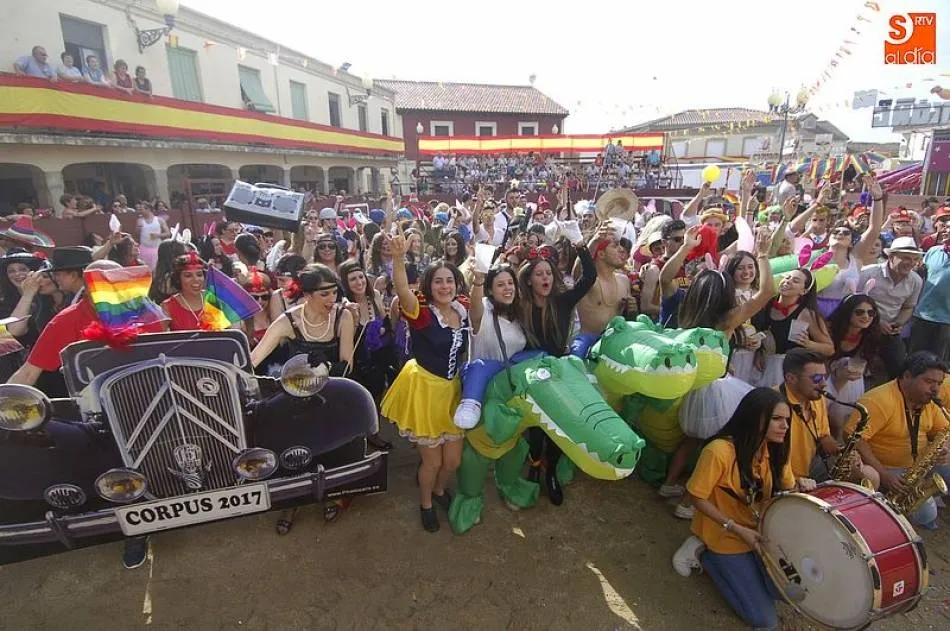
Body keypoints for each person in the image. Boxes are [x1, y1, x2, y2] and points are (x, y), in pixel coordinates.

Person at [6, 259, 165, 569]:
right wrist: (4, 401)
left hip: (156, 399)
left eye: (116, 280)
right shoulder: (67, 321)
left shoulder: (146, 311)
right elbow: (28, 373)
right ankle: (133, 529)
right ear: (89, 287)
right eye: (102, 282)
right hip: (100, 415)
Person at [661, 231, 774, 518]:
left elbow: (665, 278)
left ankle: (669, 484)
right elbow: (767, 293)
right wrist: (762, 254)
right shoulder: (726, 319)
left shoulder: (683, 307)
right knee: (715, 445)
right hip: (715, 392)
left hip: (690, 388)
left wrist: (687, 246)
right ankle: (688, 502)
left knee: (691, 439)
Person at [672, 387, 806, 630]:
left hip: (761, 534)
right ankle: (704, 551)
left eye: (787, 420)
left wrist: (803, 487)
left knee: (785, 592)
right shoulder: (719, 451)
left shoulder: (776, 451)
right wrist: (734, 528)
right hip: (726, 535)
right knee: (765, 621)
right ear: (755, 418)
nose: (784, 426)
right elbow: (694, 496)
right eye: (777, 419)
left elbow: (789, 489)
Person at [251, 264, 356, 529]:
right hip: (295, 397)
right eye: (324, 294)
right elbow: (254, 358)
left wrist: (327, 366)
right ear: (307, 294)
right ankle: (292, 503)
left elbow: (348, 363)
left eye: (335, 292)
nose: (332, 299)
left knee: (330, 448)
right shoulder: (289, 320)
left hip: (332, 392)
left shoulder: (343, 316)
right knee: (293, 452)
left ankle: (330, 495)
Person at [381, 234, 469, 533]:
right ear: (429, 287)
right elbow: (403, 289)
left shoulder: (462, 311)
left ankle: (439, 491)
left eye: (450, 280)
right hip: (425, 391)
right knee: (431, 462)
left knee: (453, 461)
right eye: (438, 281)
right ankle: (426, 503)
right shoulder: (421, 314)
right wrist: (397, 258)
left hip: (453, 390)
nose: (445, 286)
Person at [518, 227, 598, 505]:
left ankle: (550, 471)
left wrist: (579, 241)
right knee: (536, 428)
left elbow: (589, 277)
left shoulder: (562, 302)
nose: (545, 278)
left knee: (559, 426)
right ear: (528, 280)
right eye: (539, 274)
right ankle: (535, 464)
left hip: (559, 372)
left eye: (549, 273)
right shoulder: (520, 306)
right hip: (531, 375)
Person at [847, 351, 949, 529]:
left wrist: (945, 449)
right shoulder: (879, 400)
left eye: (939, 383)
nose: (935, 389)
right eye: (929, 382)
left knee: (925, 516)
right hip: (885, 468)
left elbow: (942, 431)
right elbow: (854, 438)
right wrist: (884, 475)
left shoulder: (928, 401)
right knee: (926, 516)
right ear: (907, 376)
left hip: (914, 465)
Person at [780, 348, 877, 487]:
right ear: (791, 378)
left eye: (824, 377)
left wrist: (843, 451)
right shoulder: (774, 405)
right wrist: (793, 483)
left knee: (870, 475)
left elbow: (823, 436)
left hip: (809, 471)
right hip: (783, 478)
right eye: (817, 379)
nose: (824, 384)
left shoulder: (817, 398)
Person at [753, 267, 833, 388]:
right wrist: (759, 351)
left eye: (795, 281)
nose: (788, 281)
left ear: (804, 291)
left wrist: (808, 343)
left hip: (786, 370)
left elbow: (829, 349)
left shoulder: (806, 314)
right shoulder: (766, 304)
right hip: (759, 367)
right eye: (787, 277)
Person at [817, 175, 885, 318]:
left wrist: (877, 199)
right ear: (828, 240)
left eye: (846, 233)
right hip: (815, 313)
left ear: (851, 242)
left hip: (844, 314)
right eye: (835, 232)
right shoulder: (816, 258)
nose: (840, 233)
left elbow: (874, 229)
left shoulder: (856, 258)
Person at [859, 236, 923, 380]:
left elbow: (908, 307)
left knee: (900, 366)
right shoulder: (868, 272)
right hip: (862, 327)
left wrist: (898, 323)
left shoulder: (916, 280)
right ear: (891, 256)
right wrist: (876, 321)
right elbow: (854, 302)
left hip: (889, 332)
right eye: (906, 258)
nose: (911, 263)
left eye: (914, 259)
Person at [825, 294, 882, 436]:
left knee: (842, 421)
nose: (866, 316)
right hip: (825, 374)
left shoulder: (870, 335)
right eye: (859, 312)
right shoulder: (829, 330)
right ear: (848, 312)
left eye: (871, 313)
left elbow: (861, 362)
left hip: (850, 378)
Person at [910, 224, 950, 362]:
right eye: (945, 227)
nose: (945, 230)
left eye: (949, 228)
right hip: (922, 315)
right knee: (914, 359)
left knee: (937, 365)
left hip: (946, 322)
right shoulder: (933, 251)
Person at [161, 252, 210, 331]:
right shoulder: (168, 306)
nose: (196, 280)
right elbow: (157, 338)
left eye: (199, 275)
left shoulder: (214, 299)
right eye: (188, 276)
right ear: (178, 279)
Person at [136, 202, 170, 270]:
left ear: (148, 209)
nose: (140, 212)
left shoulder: (159, 220)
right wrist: (138, 228)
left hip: (157, 248)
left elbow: (168, 233)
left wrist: (158, 235)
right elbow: (137, 235)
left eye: (142, 209)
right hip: (144, 249)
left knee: (158, 269)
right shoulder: (140, 220)